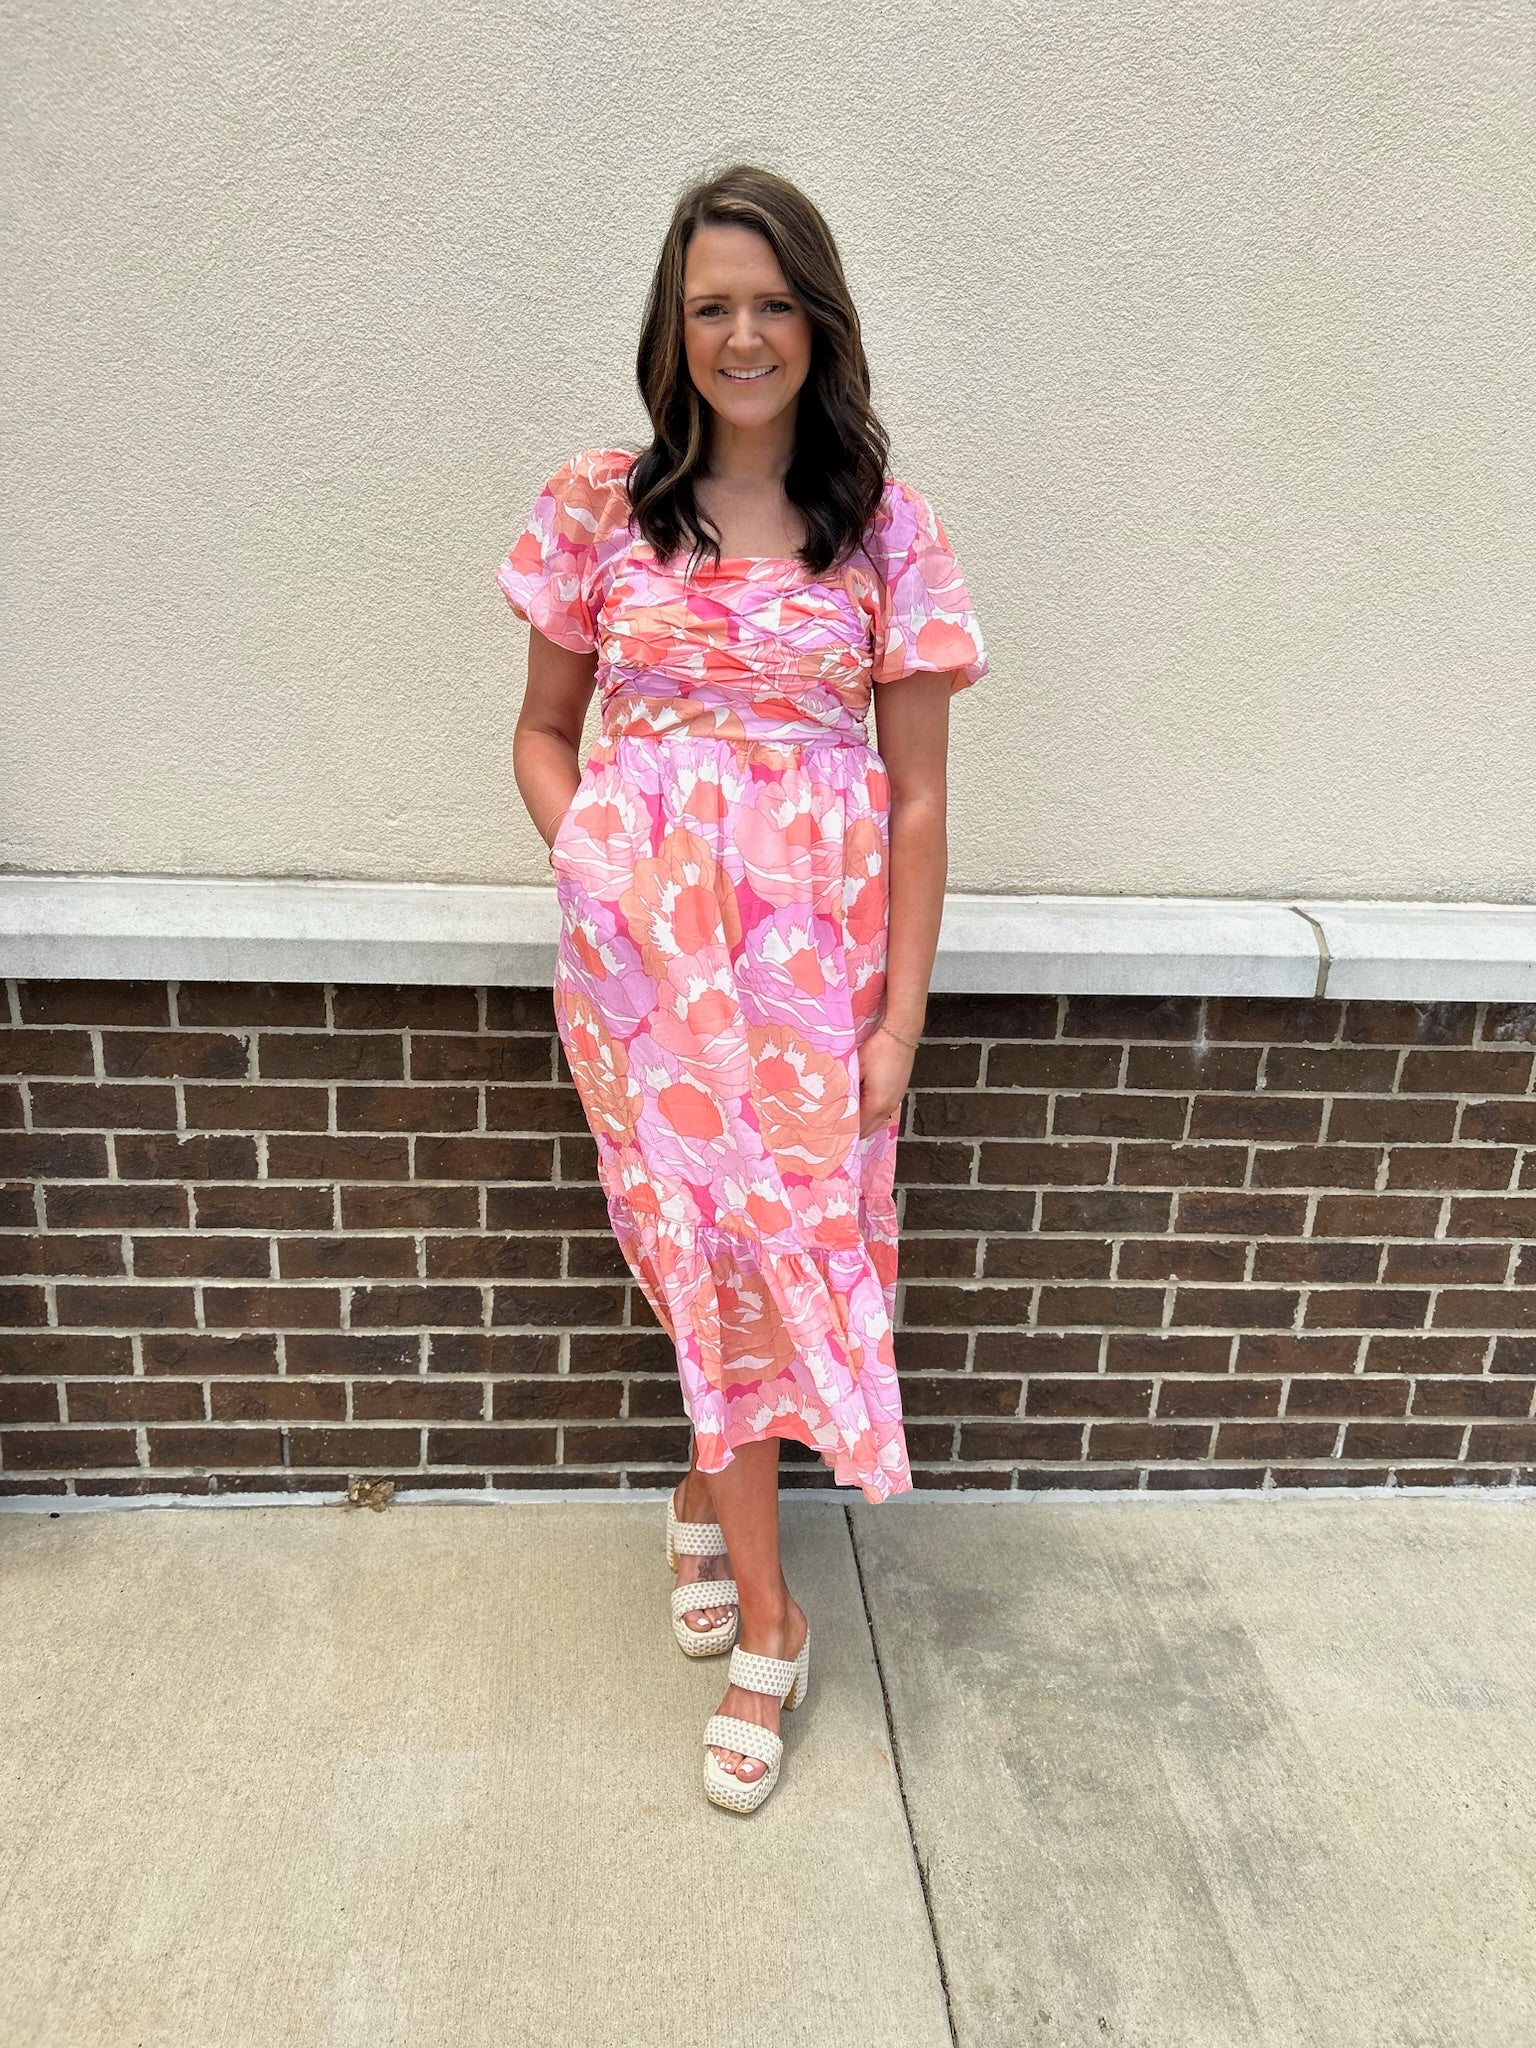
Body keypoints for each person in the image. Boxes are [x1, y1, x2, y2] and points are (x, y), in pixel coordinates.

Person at [496, 163, 987, 1814]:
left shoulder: (885, 530)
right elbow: (541, 735)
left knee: (782, 1267)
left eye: (773, 302)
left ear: (818, 320)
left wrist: (901, 1021)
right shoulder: (600, 510)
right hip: (643, 983)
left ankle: (723, 1524)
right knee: (699, 1250)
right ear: (673, 325)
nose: (744, 334)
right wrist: (601, 868)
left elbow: (915, 796)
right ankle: (768, 1605)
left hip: (818, 988)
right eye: (712, 305)